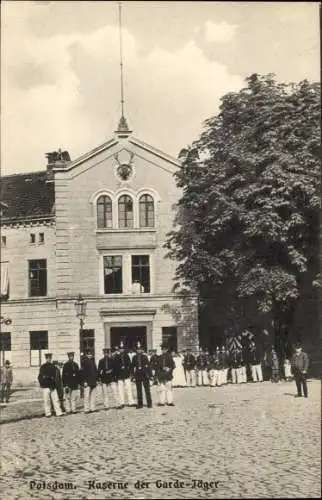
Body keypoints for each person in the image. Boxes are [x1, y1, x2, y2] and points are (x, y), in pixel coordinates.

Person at [37, 353, 63, 417]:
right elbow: (40, 377)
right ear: (46, 358)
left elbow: (55, 377)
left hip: (53, 386)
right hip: (46, 387)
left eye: (50, 358)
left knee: (56, 400)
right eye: (47, 358)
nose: (49, 359)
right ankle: (48, 413)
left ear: (51, 358)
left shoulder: (53, 367)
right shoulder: (43, 367)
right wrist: (42, 384)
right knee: (46, 401)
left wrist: (54, 384)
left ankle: (58, 412)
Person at [113, 342, 136, 408]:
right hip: (119, 375)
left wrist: (131, 373)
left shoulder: (127, 356)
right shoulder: (116, 357)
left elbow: (130, 365)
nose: (121, 350)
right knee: (120, 389)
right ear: (119, 350)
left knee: (129, 388)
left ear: (124, 349)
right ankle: (122, 402)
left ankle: (131, 402)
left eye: (122, 349)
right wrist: (116, 375)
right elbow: (115, 366)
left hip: (126, 374)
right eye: (120, 349)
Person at [131, 342, 152, 409]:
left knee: (147, 389)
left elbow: (148, 366)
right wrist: (133, 376)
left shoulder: (145, 357)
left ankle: (149, 403)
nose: (139, 350)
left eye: (140, 349)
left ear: (142, 350)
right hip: (138, 374)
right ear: (136, 350)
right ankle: (140, 404)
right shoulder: (134, 358)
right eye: (137, 349)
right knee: (139, 390)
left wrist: (150, 375)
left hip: (144, 374)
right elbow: (132, 367)